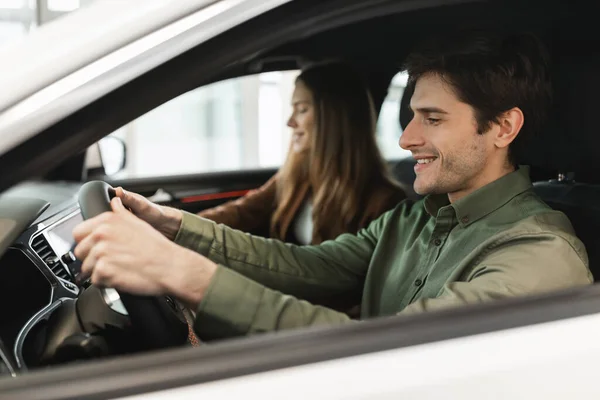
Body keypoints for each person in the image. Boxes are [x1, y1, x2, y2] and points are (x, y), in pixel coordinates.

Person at [73, 29, 593, 341]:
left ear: (503, 127)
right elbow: (307, 266)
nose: (406, 138)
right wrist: (175, 226)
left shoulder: (538, 255)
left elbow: (388, 348)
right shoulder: (418, 216)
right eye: (409, 116)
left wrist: (184, 275)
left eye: (432, 119)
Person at [197, 61, 406, 245]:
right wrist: (179, 224)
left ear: (333, 120)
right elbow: (241, 212)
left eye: (302, 109)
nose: (290, 122)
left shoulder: (384, 202)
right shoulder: (297, 175)